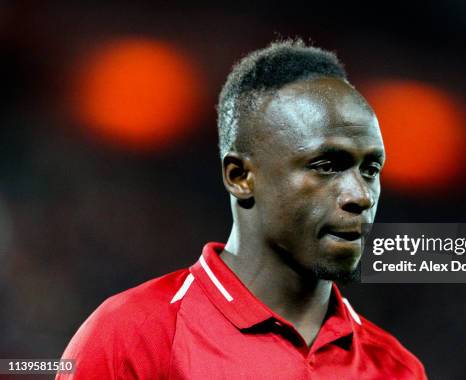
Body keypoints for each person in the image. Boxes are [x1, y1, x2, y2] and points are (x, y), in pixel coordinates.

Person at [58, 38, 427, 379]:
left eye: (370, 169)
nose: (360, 195)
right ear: (240, 177)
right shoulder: (134, 336)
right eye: (327, 166)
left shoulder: (397, 368)